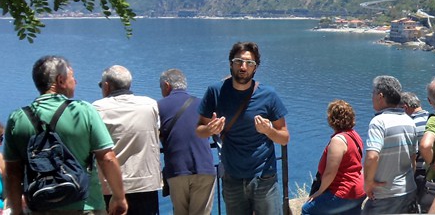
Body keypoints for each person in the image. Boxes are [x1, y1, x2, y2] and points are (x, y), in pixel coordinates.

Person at [4, 55, 128, 215]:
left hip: (40, 208)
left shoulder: (17, 118)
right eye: (72, 77)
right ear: (60, 80)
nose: (75, 82)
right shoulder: (84, 111)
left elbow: (13, 173)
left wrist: (16, 211)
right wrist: (119, 197)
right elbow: (107, 158)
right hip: (85, 206)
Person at [196, 42, 289, 215]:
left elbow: (284, 137)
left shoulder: (268, 95)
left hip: (264, 178)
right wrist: (210, 130)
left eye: (249, 63)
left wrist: (269, 131)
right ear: (231, 63)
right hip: (232, 178)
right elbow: (199, 130)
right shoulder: (215, 92)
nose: (243, 67)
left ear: (256, 68)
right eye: (239, 61)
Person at [93, 65, 162, 214]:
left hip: (111, 188)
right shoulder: (149, 105)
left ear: (106, 86)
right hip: (146, 184)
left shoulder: (97, 109)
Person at [157, 69, 216, 215]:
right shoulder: (203, 104)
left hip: (177, 168)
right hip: (204, 167)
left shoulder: (158, 106)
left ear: (166, 85)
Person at [301, 100, 366, 215]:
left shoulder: (338, 141)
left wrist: (319, 192)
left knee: (307, 210)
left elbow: (330, 172)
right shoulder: (354, 135)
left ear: (332, 119)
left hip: (344, 192)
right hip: (358, 190)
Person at [363, 75, 417, 214]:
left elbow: (372, 157)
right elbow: (413, 159)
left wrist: (368, 183)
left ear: (380, 96)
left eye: (373, 93)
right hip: (407, 189)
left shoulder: (379, 122)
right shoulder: (409, 121)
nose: (372, 97)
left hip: (385, 194)